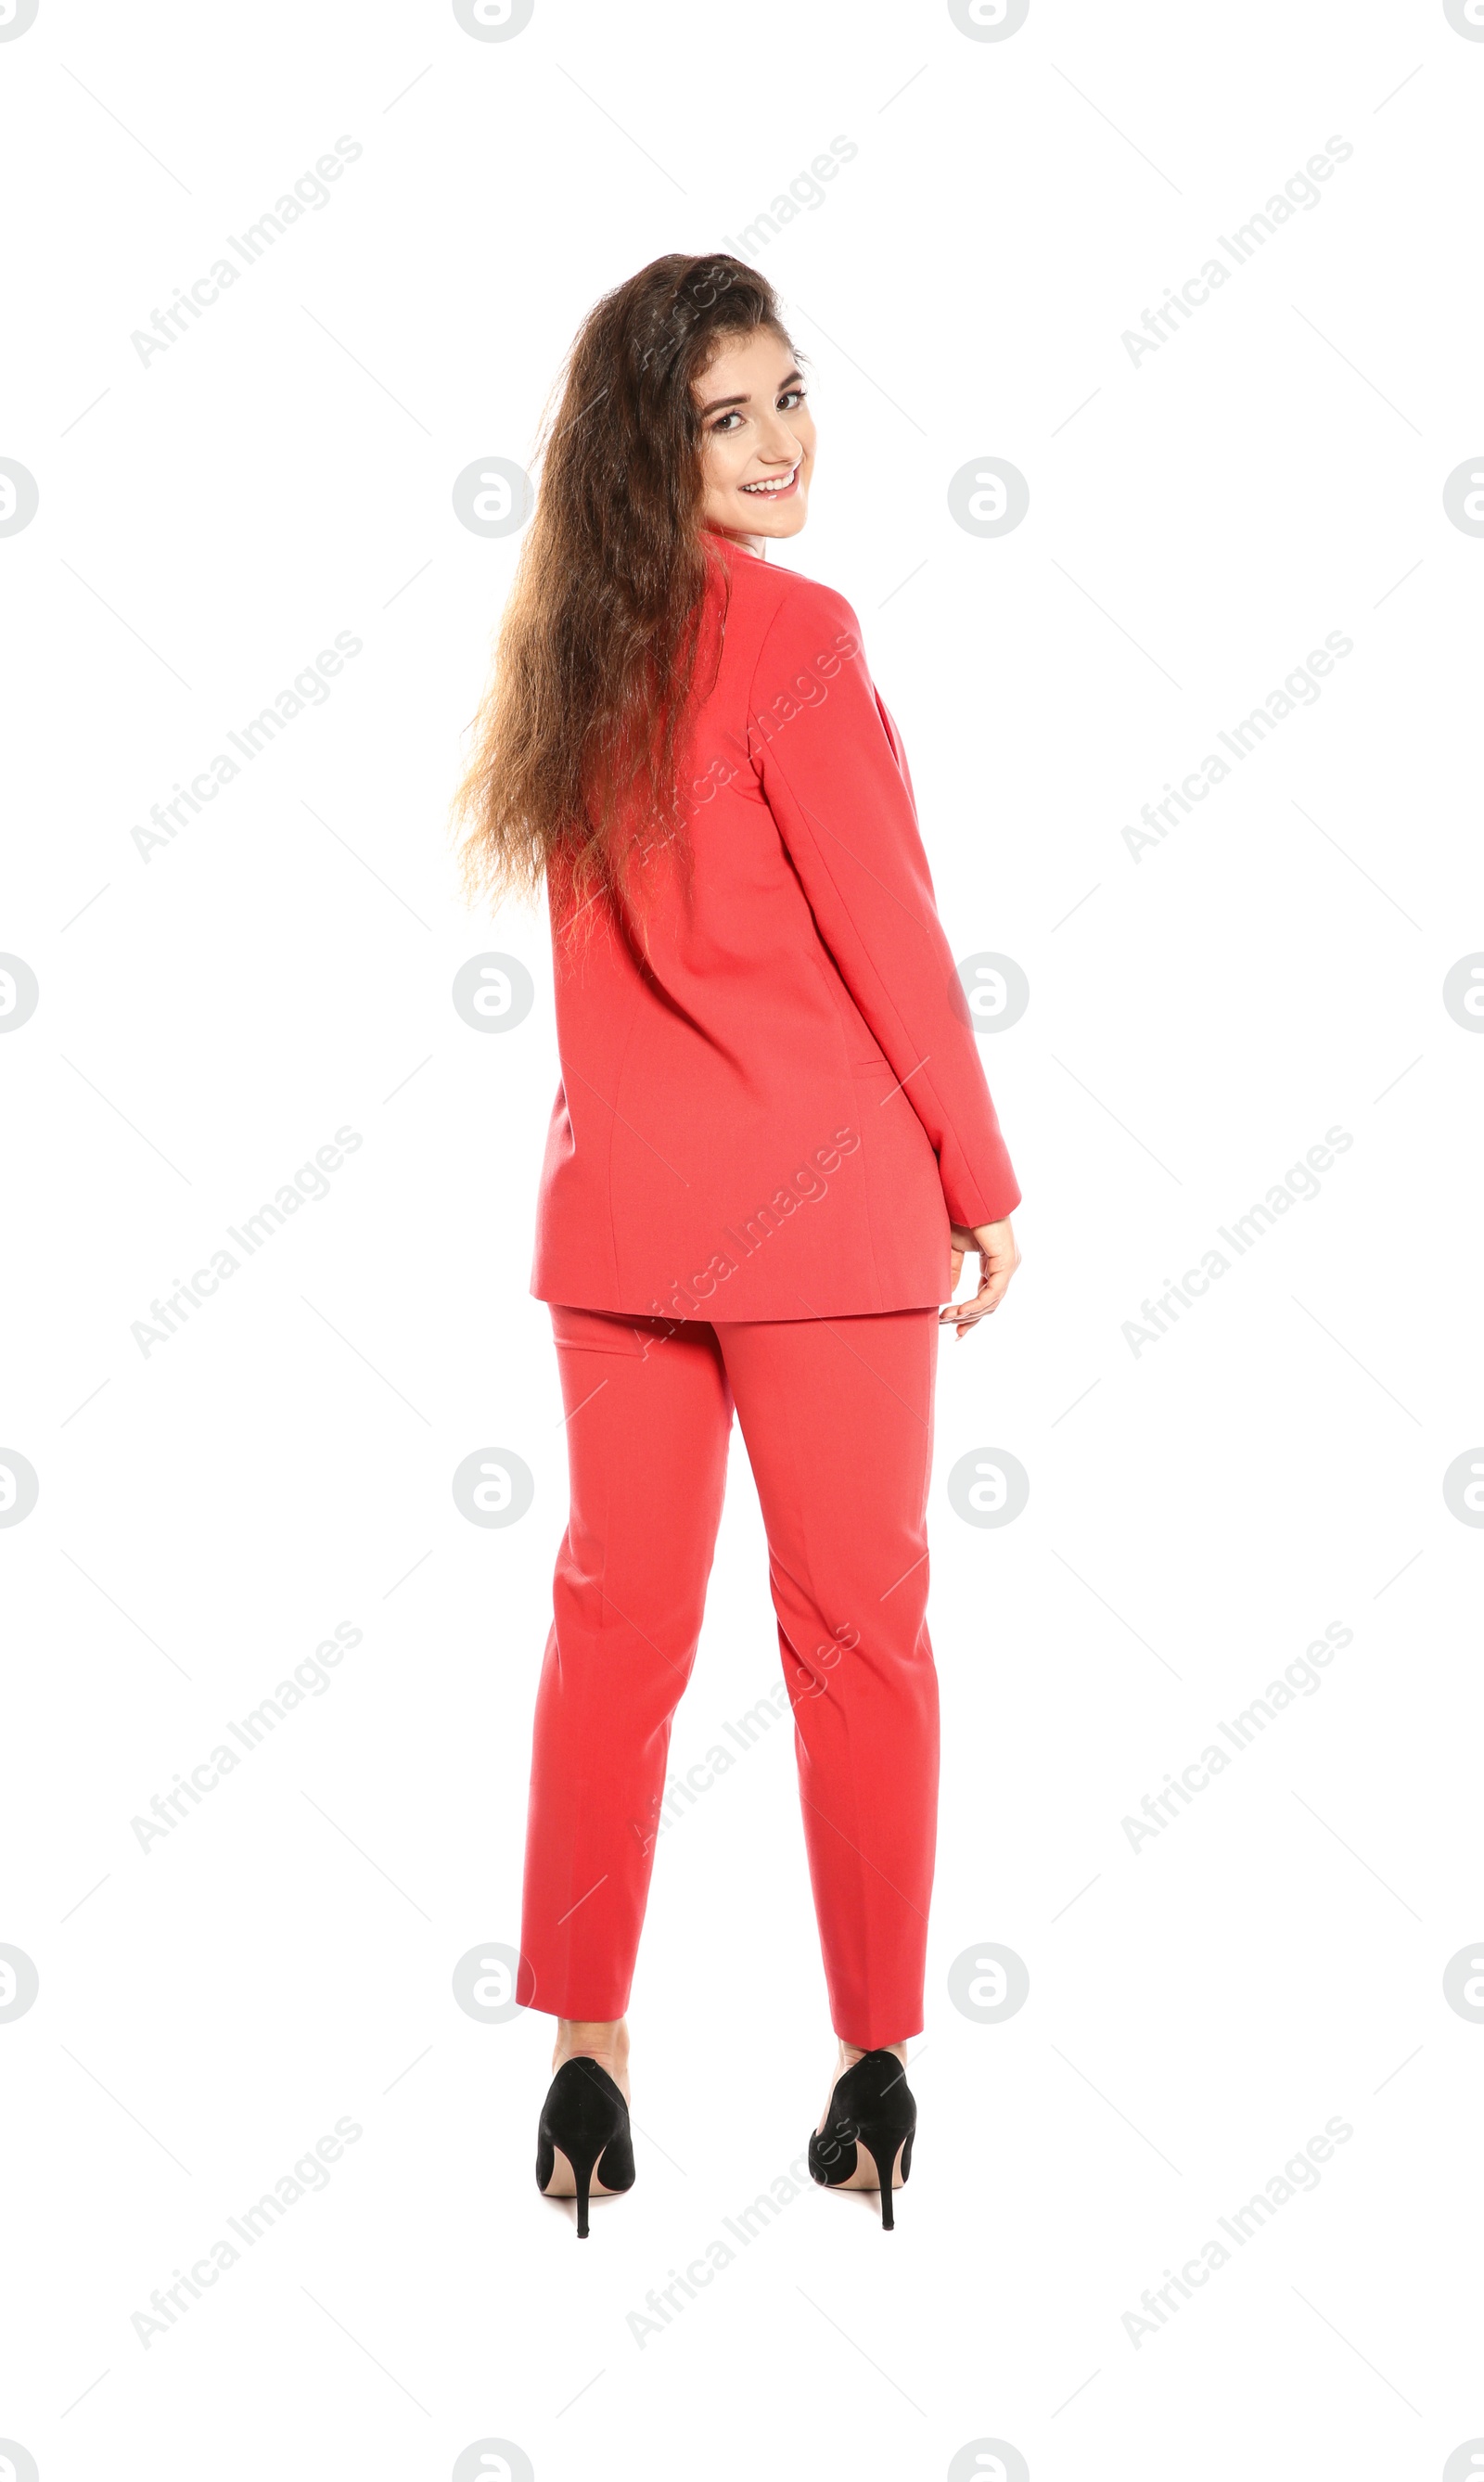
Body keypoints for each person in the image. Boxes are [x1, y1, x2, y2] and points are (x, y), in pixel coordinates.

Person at [453, 253, 1021, 2237]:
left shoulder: (567, 652)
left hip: (622, 1216)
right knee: (858, 1640)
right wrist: (980, 1168)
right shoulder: (794, 636)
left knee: (612, 1634)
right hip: (835, 1226)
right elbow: (887, 936)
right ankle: (872, 2065)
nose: (781, 443)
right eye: (729, 414)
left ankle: (580, 2070)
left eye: (791, 397)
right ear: (656, 443)